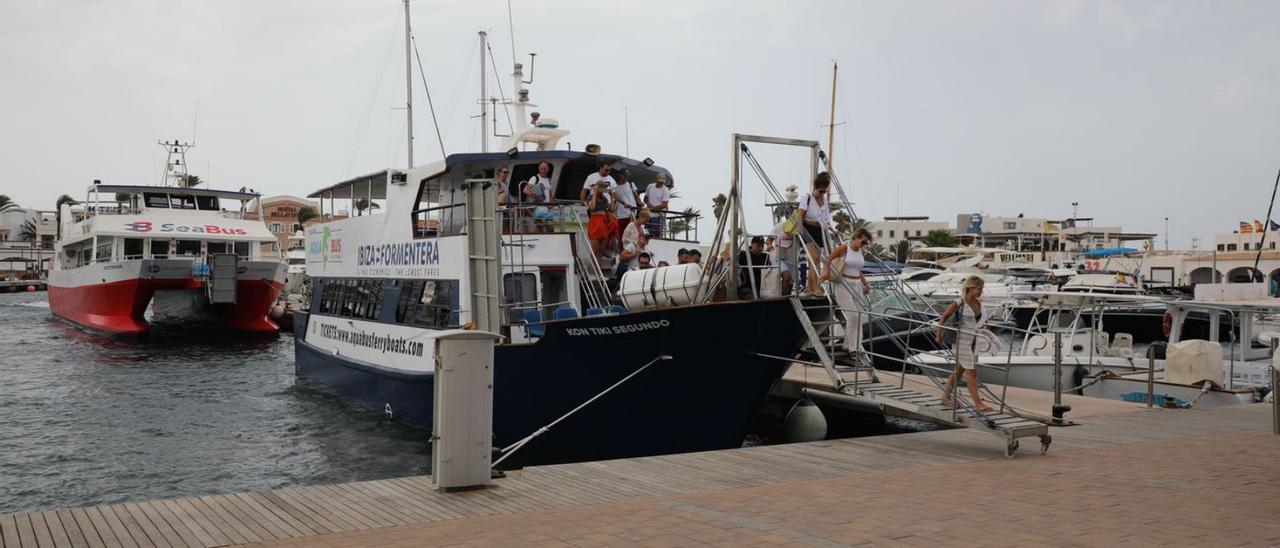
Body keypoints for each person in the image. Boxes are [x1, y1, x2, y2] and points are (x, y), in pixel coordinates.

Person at [935, 276, 993, 412]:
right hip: (961, 342)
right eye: (979, 289)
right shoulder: (959, 302)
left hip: (973, 341)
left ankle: (945, 397)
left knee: (959, 371)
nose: (981, 292)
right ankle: (978, 403)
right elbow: (943, 317)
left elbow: (981, 322)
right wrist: (938, 334)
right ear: (970, 287)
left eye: (982, 289)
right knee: (971, 373)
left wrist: (988, 334)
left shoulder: (979, 304)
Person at [826, 228, 872, 359]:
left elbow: (858, 270)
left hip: (857, 284)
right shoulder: (843, 249)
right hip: (843, 284)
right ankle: (854, 349)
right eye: (863, 242)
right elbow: (828, 260)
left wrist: (865, 284)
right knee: (853, 316)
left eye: (866, 243)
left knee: (859, 315)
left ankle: (849, 344)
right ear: (855, 237)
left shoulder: (861, 251)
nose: (864, 245)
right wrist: (826, 274)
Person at [798, 172, 833, 296]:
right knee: (815, 259)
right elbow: (800, 214)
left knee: (816, 261)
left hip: (820, 231)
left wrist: (832, 229)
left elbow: (826, 218)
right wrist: (800, 229)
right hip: (807, 230)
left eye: (824, 191)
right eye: (820, 191)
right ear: (815, 188)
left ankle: (809, 288)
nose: (822, 194)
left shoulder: (824, 200)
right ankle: (817, 287)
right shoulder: (806, 198)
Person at [616, 209, 650, 279]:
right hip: (629, 249)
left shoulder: (641, 228)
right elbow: (624, 239)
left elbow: (642, 240)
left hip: (637, 249)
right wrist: (634, 245)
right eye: (645, 220)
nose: (646, 222)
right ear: (641, 217)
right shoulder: (631, 225)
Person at [585, 179, 613, 261]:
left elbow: (611, 208)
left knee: (601, 250)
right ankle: (591, 270)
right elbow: (592, 207)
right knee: (595, 250)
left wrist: (611, 196)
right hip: (595, 221)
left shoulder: (604, 198)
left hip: (603, 222)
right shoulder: (590, 197)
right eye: (602, 187)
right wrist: (594, 193)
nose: (603, 190)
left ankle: (598, 269)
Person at [522, 161, 554, 232]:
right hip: (537, 208)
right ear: (539, 169)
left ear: (548, 169)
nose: (543, 170)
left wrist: (551, 205)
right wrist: (537, 197)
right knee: (539, 227)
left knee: (551, 227)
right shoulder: (535, 178)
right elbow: (525, 190)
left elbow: (550, 195)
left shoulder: (549, 180)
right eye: (541, 169)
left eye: (545, 169)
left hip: (547, 208)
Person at [612, 169, 640, 245]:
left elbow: (636, 196)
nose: (626, 178)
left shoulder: (631, 184)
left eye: (627, 176)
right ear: (620, 176)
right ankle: (621, 251)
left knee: (632, 233)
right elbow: (614, 199)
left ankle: (630, 249)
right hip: (621, 214)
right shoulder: (615, 187)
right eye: (625, 176)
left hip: (632, 212)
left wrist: (640, 202)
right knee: (621, 234)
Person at [769, 219, 797, 295]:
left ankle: (786, 297)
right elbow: (769, 238)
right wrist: (769, 245)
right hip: (778, 257)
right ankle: (782, 298)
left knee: (791, 281)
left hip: (792, 259)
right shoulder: (779, 227)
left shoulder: (800, 228)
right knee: (786, 275)